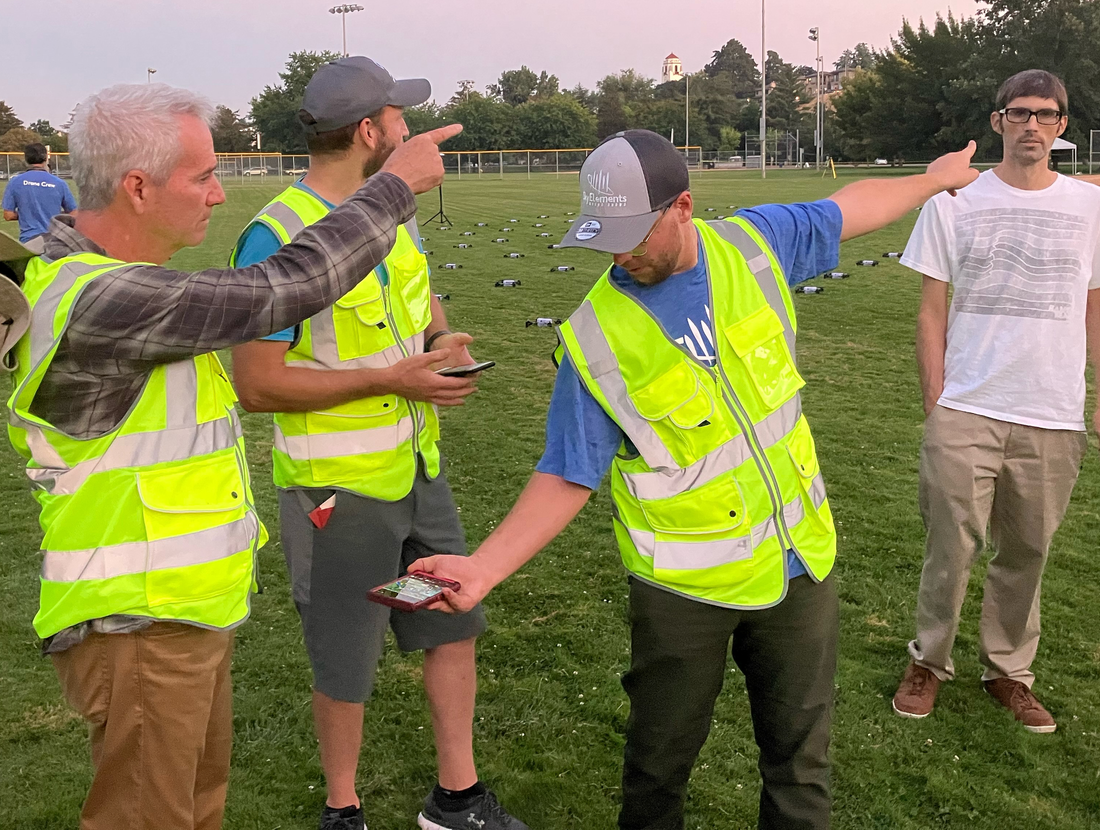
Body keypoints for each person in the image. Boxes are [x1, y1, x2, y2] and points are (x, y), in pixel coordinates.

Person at [412, 129, 979, 830]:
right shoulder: (594, 336)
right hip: (682, 591)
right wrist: (485, 568)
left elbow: (850, 205)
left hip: (800, 562)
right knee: (658, 767)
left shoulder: (754, 245)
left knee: (801, 766)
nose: (619, 253)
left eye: (633, 233)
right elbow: (567, 471)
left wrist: (934, 178)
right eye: (605, 236)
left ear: (683, 207)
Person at [7, 81, 459, 830]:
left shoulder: (111, 286)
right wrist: (391, 189)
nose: (220, 196)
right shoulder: (97, 301)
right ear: (139, 187)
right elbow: (286, 287)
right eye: (204, 175)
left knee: (193, 813)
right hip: (135, 625)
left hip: (178, 616)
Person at [230, 56, 524, 830]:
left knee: (448, 621)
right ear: (370, 132)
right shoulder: (277, 234)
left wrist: (441, 340)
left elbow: (419, 298)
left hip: (419, 477)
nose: (408, 130)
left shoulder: (393, 214)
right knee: (347, 657)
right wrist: (395, 380)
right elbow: (256, 385)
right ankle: (343, 809)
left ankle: (455, 800)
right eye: (398, 118)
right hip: (338, 498)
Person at [891, 69, 1100, 733]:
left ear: (1062, 125)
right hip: (967, 406)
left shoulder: (1089, 208)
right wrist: (935, 396)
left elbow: (1095, 307)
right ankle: (929, 661)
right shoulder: (954, 202)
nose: (1032, 125)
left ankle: (1009, 673)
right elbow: (931, 309)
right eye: (1020, 113)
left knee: (1028, 551)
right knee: (949, 546)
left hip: (1052, 411)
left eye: (1046, 114)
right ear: (998, 121)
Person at [3, 141, 77, 242]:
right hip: (55, 241)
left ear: (26, 159)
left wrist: (27, 214)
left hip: (29, 241)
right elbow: (74, 213)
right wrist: (55, 214)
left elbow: (8, 215)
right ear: (46, 158)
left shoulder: (15, 182)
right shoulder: (59, 183)